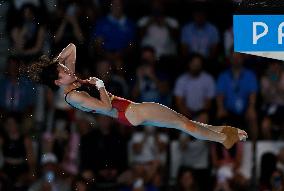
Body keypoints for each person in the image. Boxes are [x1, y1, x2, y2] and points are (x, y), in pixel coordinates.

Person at [22, 43, 248, 150]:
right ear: (57, 82)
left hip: (129, 112)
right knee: (182, 123)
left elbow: (71, 47)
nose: (68, 71)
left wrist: (55, 64)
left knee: (184, 122)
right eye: (62, 73)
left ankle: (223, 131)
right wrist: (100, 85)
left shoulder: (69, 80)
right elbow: (104, 107)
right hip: (129, 112)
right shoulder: (73, 96)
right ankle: (223, 139)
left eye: (64, 68)